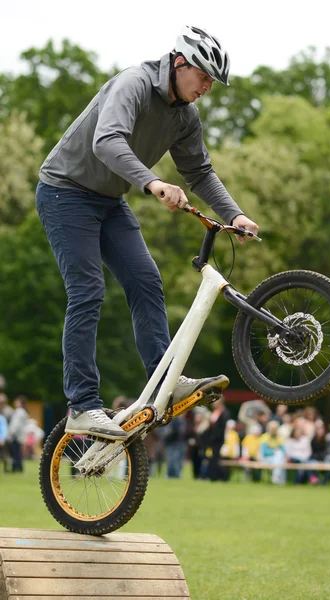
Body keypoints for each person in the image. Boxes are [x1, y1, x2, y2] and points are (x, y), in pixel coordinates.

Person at [35, 25, 259, 441]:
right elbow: (106, 141)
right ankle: (82, 406)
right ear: (179, 62)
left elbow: (199, 172)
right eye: (204, 76)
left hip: (109, 200)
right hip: (64, 192)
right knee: (87, 291)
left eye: (214, 82)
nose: (208, 87)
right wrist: (154, 183)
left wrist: (235, 214)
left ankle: (164, 382)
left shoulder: (185, 117)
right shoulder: (133, 84)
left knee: (145, 281)